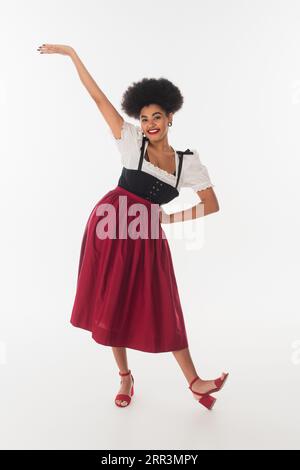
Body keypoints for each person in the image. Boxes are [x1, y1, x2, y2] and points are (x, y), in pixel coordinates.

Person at [37, 43, 229, 410]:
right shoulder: (131, 142)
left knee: (164, 303)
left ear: (170, 117)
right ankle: (125, 376)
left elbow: (211, 204)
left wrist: (171, 218)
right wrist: (73, 55)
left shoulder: (187, 164)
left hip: (147, 235)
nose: (150, 124)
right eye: (144, 118)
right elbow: (97, 99)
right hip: (110, 227)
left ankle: (195, 381)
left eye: (156, 117)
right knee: (113, 302)